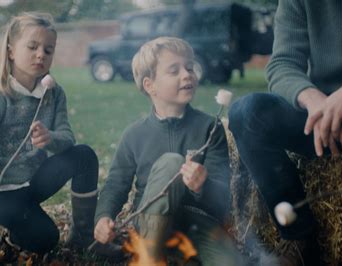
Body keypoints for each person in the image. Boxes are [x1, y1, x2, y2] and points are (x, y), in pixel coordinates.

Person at [0, 12, 121, 258]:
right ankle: (1, 228)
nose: (41, 54)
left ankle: (83, 237)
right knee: (46, 239)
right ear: (11, 51)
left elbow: (67, 137)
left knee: (84, 155)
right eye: (32, 46)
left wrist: (50, 138)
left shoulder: (53, 94)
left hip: (31, 183)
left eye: (48, 49)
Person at [228, 0, 342, 264]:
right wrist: (316, 103)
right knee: (247, 112)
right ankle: (299, 236)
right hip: (319, 119)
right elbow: (282, 64)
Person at [93, 36, 243, 265]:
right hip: (149, 222)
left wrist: (204, 185)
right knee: (173, 162)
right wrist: (103, 217)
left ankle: (181, 252)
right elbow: (116, 184)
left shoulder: (210, 128)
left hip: (197, 222)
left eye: (189, 67)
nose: (187, 74)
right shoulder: (134, 134)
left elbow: (222, 197)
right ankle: (150, 257)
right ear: (149, 85)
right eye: (174, 71)